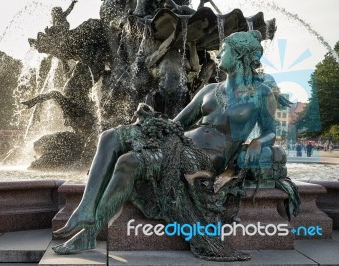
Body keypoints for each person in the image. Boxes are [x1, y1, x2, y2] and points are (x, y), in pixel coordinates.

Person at [52, 30, 276, 261]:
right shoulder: (209, 90)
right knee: (109, 136)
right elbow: (176, 123)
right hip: (180, 141)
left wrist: (258, 141)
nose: (219, 54)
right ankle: (85, 211)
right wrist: (150, 117)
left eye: (225, 49)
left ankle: (90, 232)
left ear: (239, 55)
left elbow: (270, 132)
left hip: (205, 157)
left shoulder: (262, 94)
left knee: (128, 161)